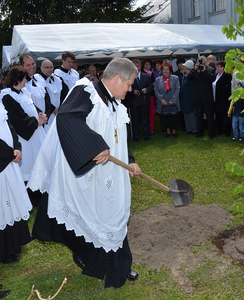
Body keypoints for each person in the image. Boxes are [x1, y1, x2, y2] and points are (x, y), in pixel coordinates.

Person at [27, 57, 141, 288]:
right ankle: (99, 261)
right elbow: (68, 118)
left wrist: (130, 161)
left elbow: (117, 139)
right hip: (88, 175)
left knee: (113, 217)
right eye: (129, 84)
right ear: (117, 78)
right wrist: (94, 147)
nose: (131, 89)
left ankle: (116, 266)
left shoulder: (116, 105)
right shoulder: (85, 90)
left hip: (111, 175)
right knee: (95, 218)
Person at [0, 66, 47, 206]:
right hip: (25, 138)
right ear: (18, 79)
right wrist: (36, 122)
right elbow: (16, 119)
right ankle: (29, 198)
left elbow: (32, 107)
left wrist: (40, 114)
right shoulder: (8, 96)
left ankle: (40, 194)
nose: (27, 81)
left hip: (35, 135)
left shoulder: (24, 93)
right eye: (25, 78)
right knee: (27, 166)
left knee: (38, 162)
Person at [0, 102, 32, 265]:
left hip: (9, 161)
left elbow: (9, 127)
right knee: (3, 210)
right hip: (3, 161)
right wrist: (8, 153)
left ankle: (12, 246)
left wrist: (17, 147)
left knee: (11, 204)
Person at [19, 53, 53, 128]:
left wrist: (46, 116)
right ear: (22, 67)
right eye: (28, 65)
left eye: (33, 64)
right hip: (33, 123)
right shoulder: (20, 84)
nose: (32, 67)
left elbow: (47, 99)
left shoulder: (39, 78)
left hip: (44, 122)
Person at [187, 55, 216, 139]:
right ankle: (199, 132)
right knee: (199, 116)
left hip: (207, 98)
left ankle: (212, 133)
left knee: (209, 116)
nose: (201, 64)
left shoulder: (210, 70)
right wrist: (194, 69)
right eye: (200, 62)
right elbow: (189, 78)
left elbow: (213, 78)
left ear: (206, 62)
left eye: (203, 62)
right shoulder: (196, 71)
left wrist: (204, 71)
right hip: (198, 98)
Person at [126, 59, 153, 141]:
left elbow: (151, 87)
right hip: (134, 102)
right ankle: (136, 137)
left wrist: (146, 90)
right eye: (134, 66)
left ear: (140, 67)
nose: (136, 68)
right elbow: (126, 89)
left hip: (144, 101)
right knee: (135, 120)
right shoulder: (129, 77)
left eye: (138, 66)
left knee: (145, 120)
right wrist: (132, 91)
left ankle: (146, 136)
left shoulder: (146, 76)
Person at [154, 62, 181, 138]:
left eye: (167, 69)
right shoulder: (158, 80)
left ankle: (174, 132)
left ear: (170, 70)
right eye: (164, 69)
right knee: (164, 118)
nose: (165, 71)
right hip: (162, 102)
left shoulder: (175, 78)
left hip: (173, 101)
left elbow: (177, 89)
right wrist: (161, 99)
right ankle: (168, 132)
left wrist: (173, 100)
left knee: (174, 117)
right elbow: (156, 90)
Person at [35, 60, 63, 129]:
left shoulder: (56, 79)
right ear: (41, 68)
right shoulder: (38, 80)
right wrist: (53, 108)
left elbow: (61, 94)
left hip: (57, 112)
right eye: (47, 67)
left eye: (51, 67)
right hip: (47, 112)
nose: (49, 69)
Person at [213, 60, 232, 136]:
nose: (217, 68)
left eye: (219, 67)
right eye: (216, 67)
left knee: (225, 116)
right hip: (216, 98)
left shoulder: (227, 76)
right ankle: (219, 131)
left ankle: (226, 131)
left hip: (224, 99)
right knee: (218, 115)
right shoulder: (215, 76)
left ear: (223, 68)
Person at [181, 60, 197, 134]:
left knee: (191, 114)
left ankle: (194, 129)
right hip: (184, 98)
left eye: (184, 66)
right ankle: (189, 129)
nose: (182, 67)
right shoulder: (185, 76)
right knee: (186, 113)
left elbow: (194, 88)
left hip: (190, 97)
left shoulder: (191, 77)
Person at [141, 58, 156, 135]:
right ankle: (146, 129)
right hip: (144, 96)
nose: (147, 66)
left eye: (149, 64)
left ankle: (151, 129)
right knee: (146, 114)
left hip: (152, 96)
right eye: (146, 64)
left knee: (153, 113)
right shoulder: (141, 73)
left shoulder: (153, 74)